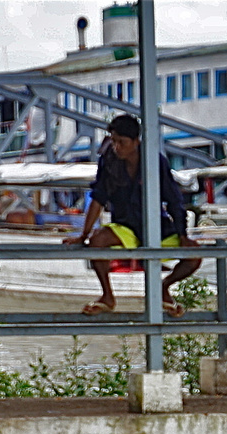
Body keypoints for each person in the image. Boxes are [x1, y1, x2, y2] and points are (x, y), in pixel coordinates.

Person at [65, 113, 201, 317]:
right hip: (125, 225)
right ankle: (107, 296)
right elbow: (98, 198)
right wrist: (83, 235)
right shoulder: (108, 161)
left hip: (156, 226)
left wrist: (183, 235)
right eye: (114, 142)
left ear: (136, 142)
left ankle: (164, 286)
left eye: (122, 142)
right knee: (97, 242)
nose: (117, 147)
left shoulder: (155, 162)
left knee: (195, 255)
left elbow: (174, 200)